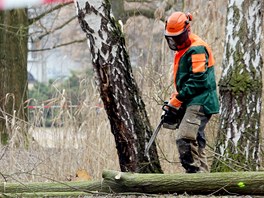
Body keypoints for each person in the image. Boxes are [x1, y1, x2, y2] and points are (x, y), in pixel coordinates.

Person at [163, 12, 219, 173]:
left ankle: (194, 175)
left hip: (201, 100)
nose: (175, 41)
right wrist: (176, 97)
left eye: (178, 37)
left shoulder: (197, 49)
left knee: (185, 138)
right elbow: (188, 80)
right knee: (196, 140)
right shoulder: (184, 49)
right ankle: (204, 180)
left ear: (187, 30)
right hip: (192, 99)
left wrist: (179, 98)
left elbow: (198, 81)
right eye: (172, 38)